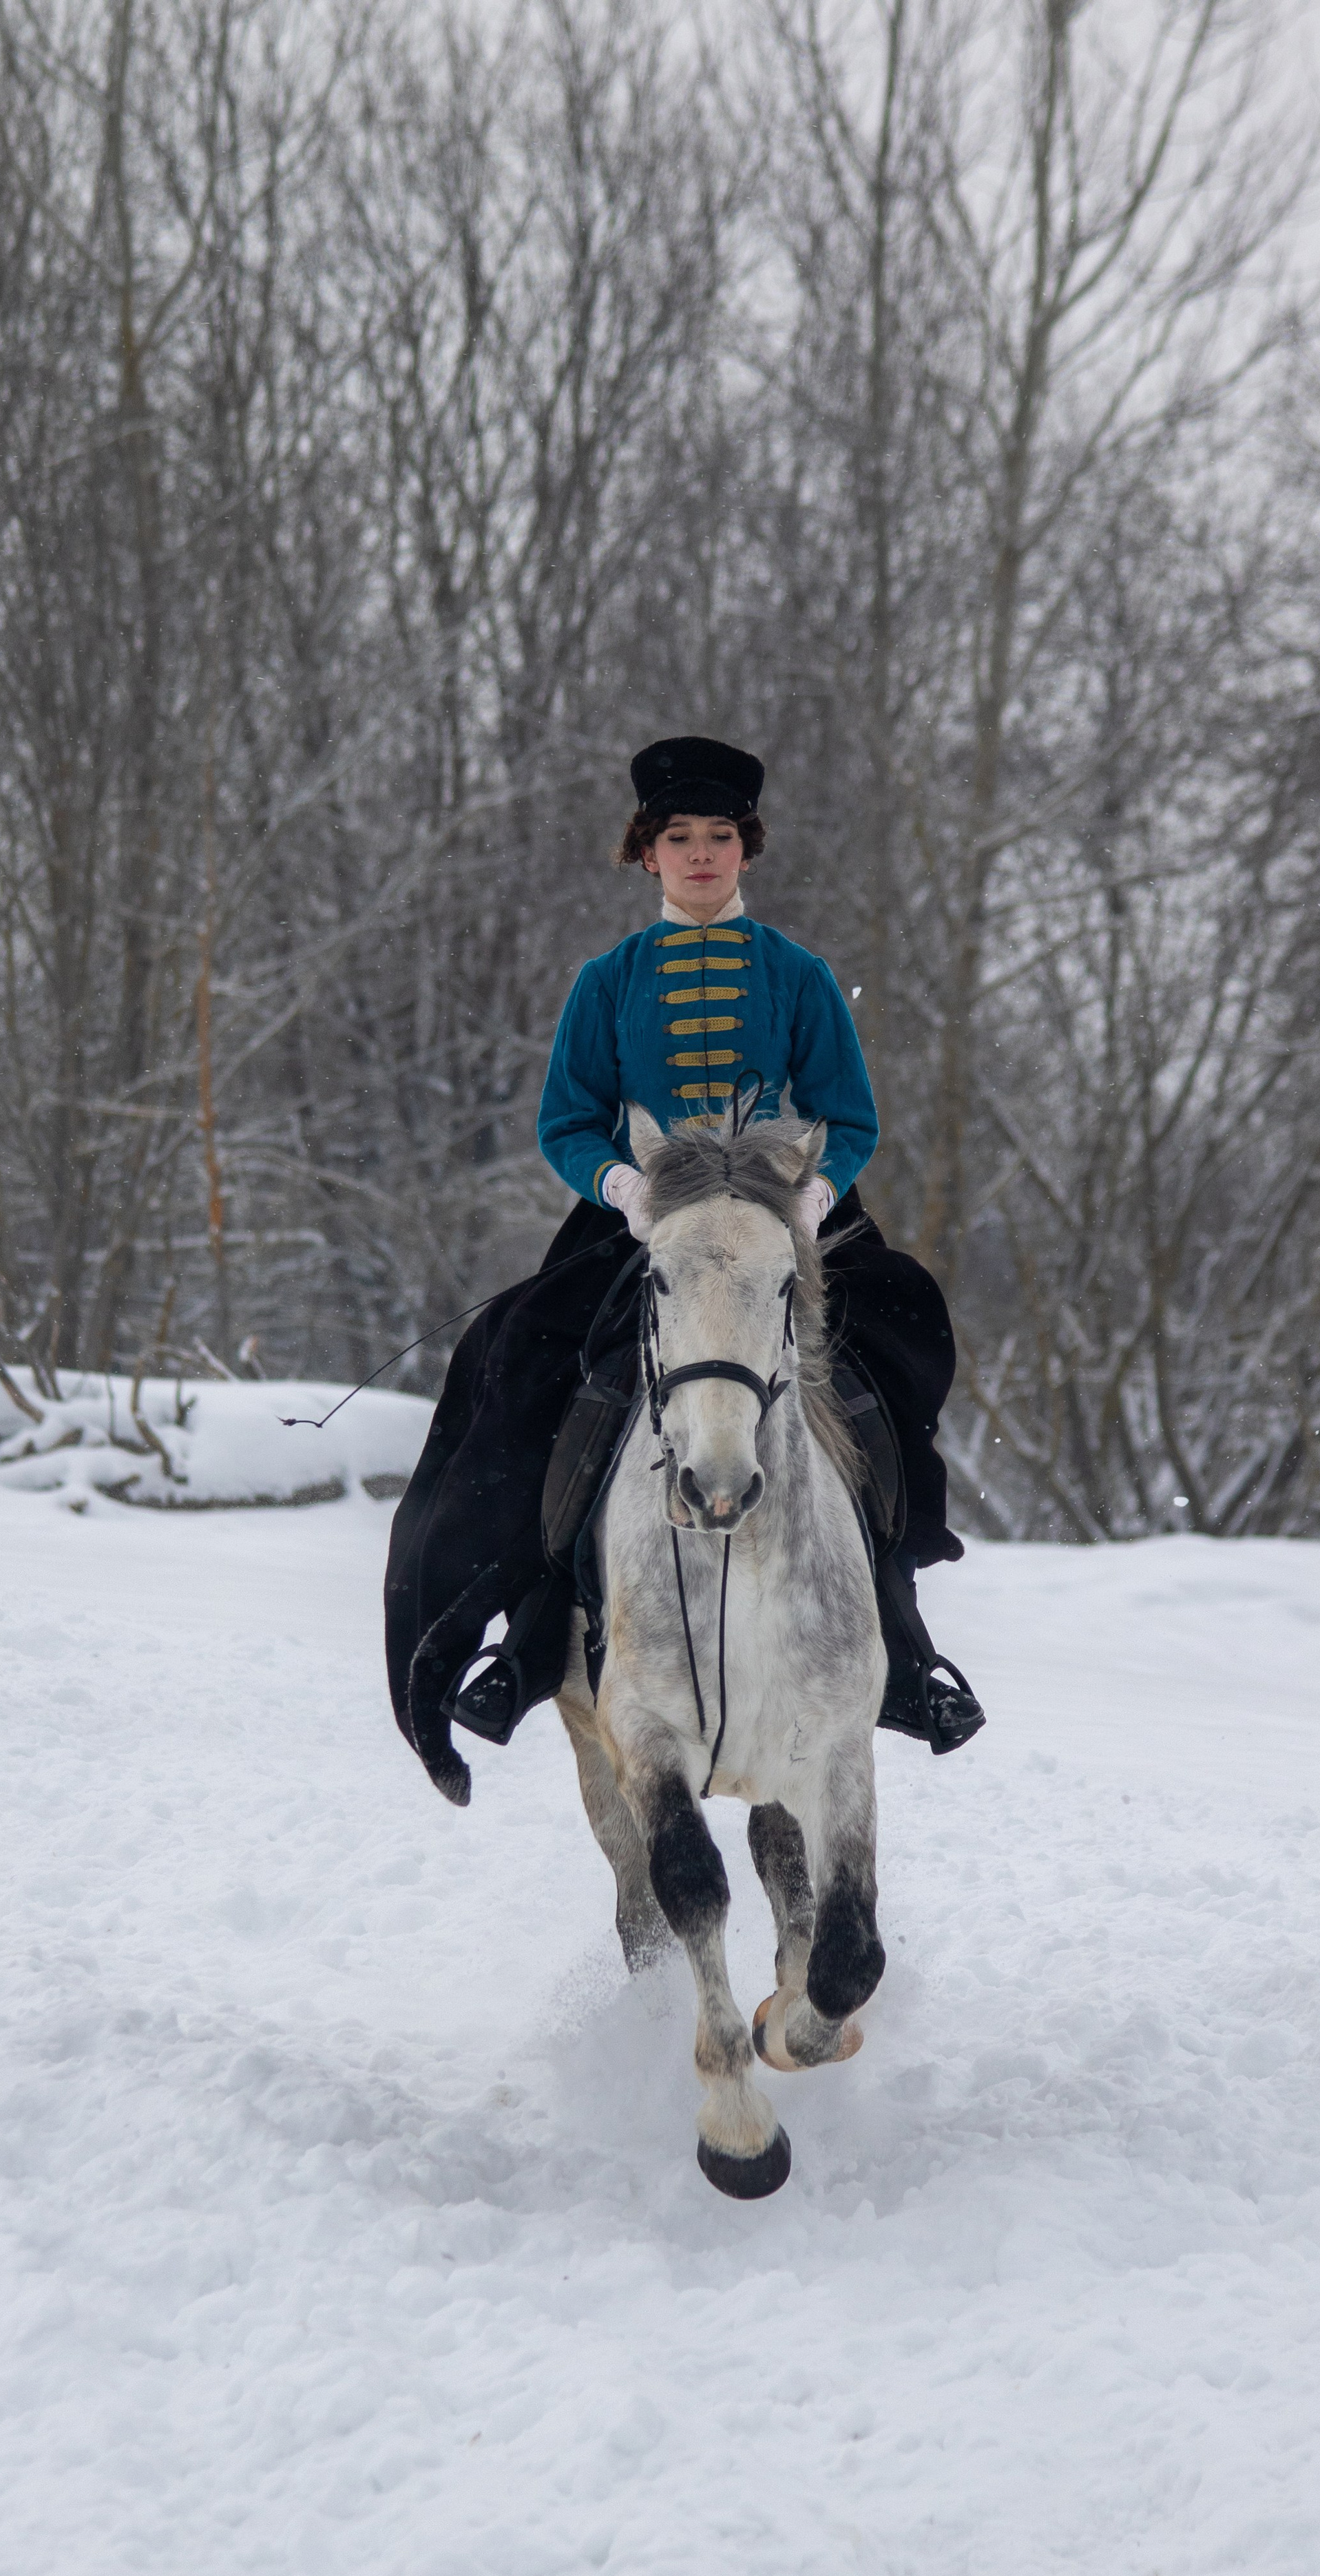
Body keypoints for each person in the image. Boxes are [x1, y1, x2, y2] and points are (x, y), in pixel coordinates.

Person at [384, 736, 984, 1807]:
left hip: (786, 1221)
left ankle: (900, 1637)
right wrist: (616, 1182)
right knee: (528, 1376)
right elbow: (564, 1117)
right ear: (647, 853)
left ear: (744, 850)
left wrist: (812, 1196)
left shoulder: (794, 973)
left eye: (718, 839)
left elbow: (849, 1113)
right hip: (638, 1225)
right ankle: (527, 1642)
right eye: (679, 840)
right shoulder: (606, 981)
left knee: (891, 1350)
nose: (700, 857)